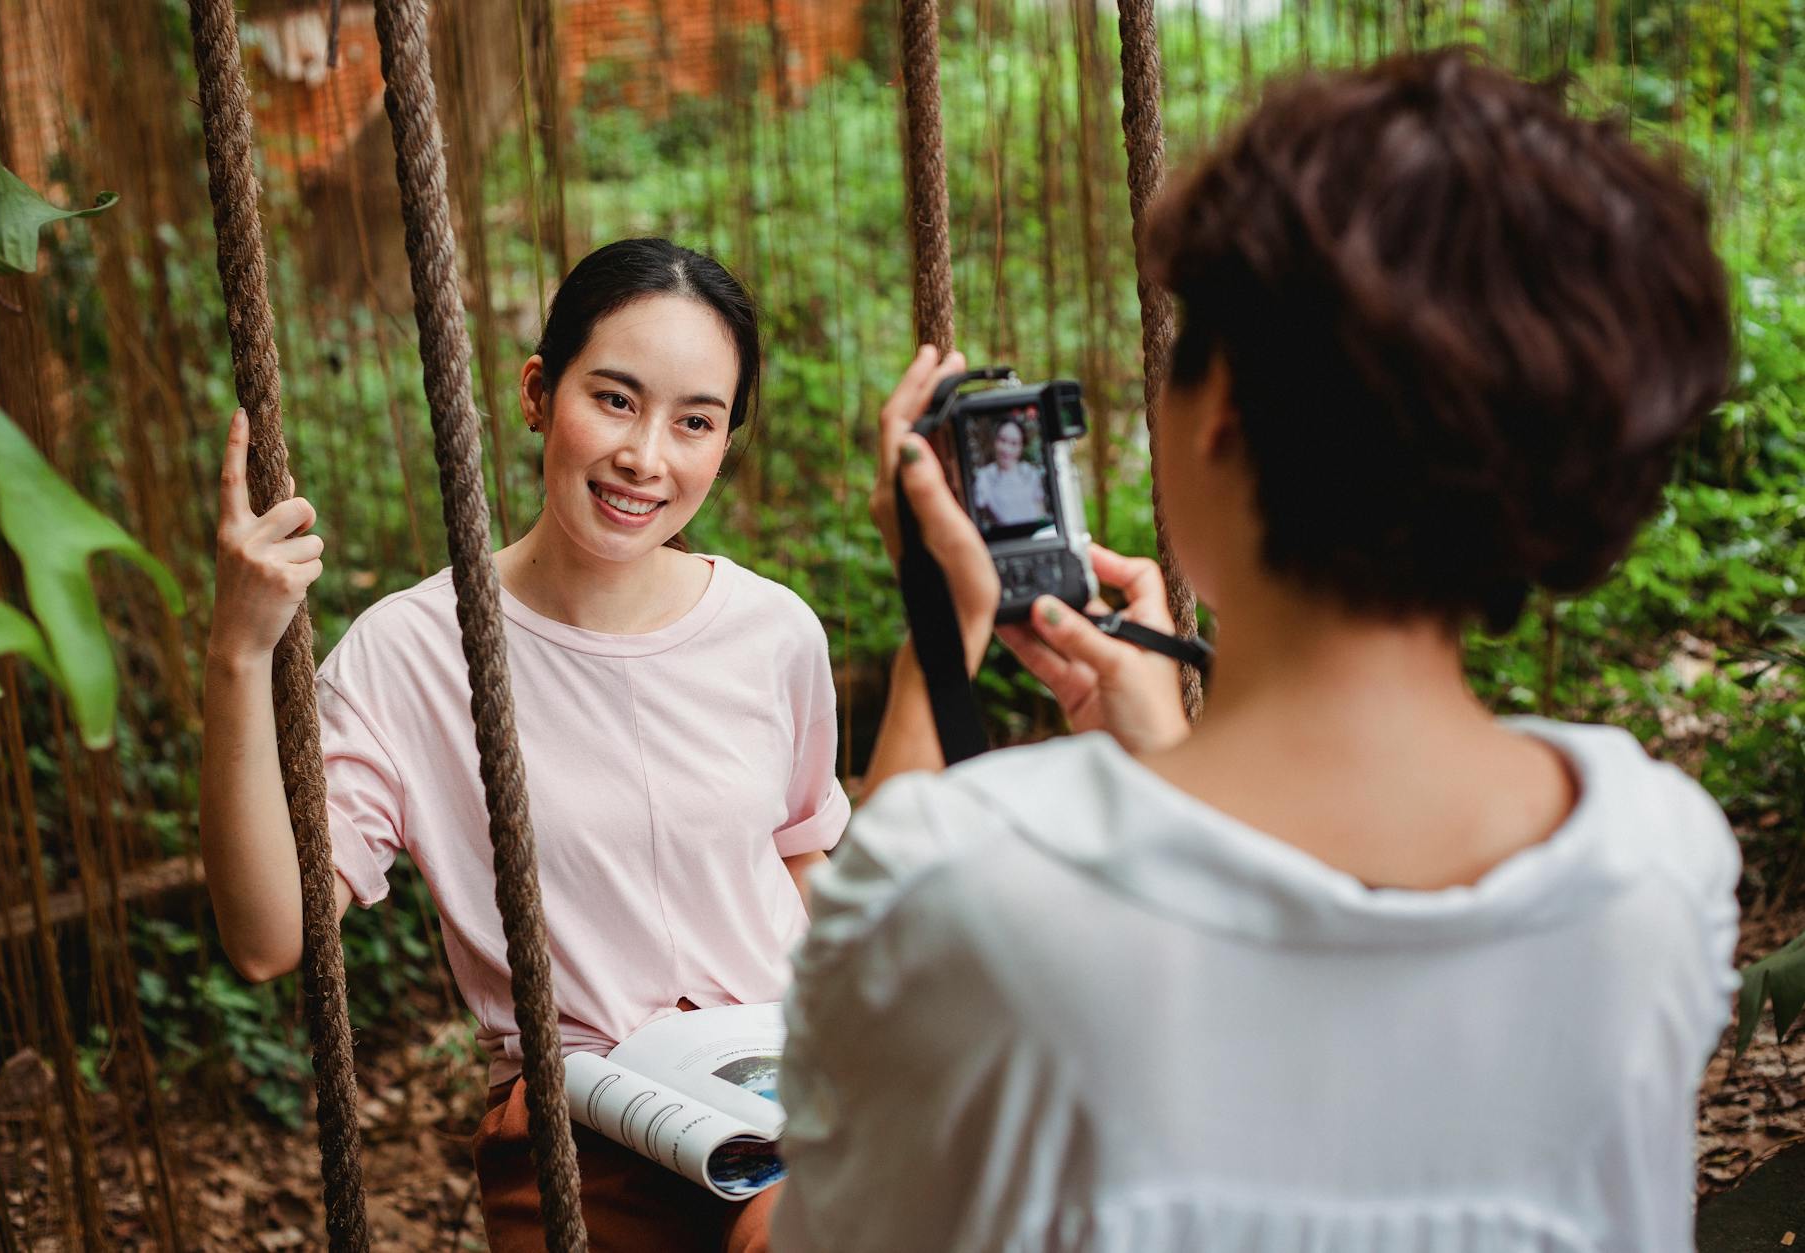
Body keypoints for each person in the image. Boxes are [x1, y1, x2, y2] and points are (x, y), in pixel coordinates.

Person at [774, 50, 1739, 1253]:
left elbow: (842, 1165)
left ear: (1218, 407)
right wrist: (1169, 745)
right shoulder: (1655, 867)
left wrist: (937, 628)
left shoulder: (966, 885)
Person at [200, 238, 848, 1252]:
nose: (647, 455)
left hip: (795, 1094)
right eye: (616, 399)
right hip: (581, 1123)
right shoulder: (414, 650)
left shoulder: (773, 631)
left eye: (695, 421)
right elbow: (268, 935)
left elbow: (802, 855)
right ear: (539, 393)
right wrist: (238, 657)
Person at [971, 415, 1048, 527]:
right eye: (1002, 440)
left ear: (1021, 447)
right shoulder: (985, 477)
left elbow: (1040, 511)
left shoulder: (1030, 473)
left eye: (1014, 443)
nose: (1006, 449)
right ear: (995, 441)